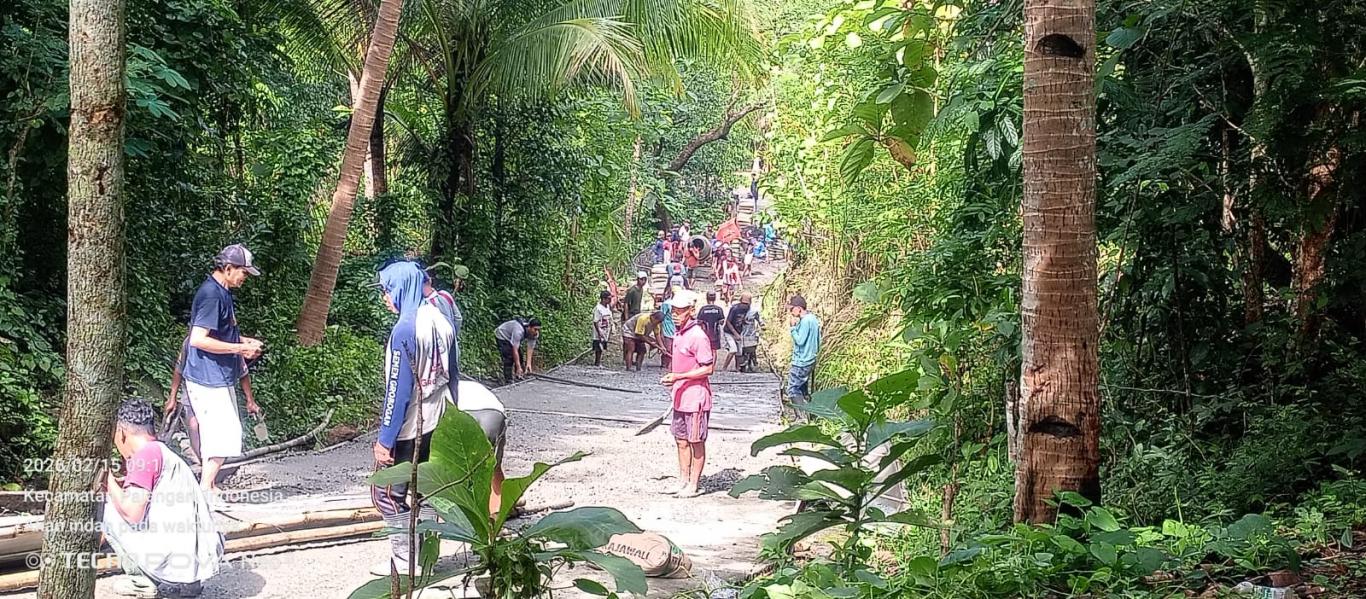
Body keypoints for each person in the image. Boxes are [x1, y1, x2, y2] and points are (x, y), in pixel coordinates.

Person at [370, 261, 453, 576]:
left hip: (409, 424)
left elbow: (398, 390)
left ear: (401, 288)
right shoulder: (440, 319)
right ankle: (427, 558)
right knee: (426, 490)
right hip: (437, 416)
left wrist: (385, 440)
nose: (385, 297)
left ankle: (405, 563)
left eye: (387, 290)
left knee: (386, 493)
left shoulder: (405, 329)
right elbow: (453, 373)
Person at [103, 398, 223, 598]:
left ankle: (142, 580)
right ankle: (189, 583)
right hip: (199, 560)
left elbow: (132, 514)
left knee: (107, 505)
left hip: (170, 561)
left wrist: (106, 478)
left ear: (121, 432)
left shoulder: (144, 455)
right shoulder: (165, 454)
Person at [181, 244, 263, 496]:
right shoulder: (212, 295)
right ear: (228, 268)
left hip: (217, 376)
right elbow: (197, 339)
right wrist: (239, 349)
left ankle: (209, 485)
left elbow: (219, 333)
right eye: (243, 272)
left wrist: (244, 341)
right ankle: (206, 487)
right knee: (225, 432)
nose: (245, 277)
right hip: (207, 377)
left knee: (221, 433)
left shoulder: (222, 292)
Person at [661, 289, 713, 498]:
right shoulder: (679, 333)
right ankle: (683, 480)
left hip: (695, 398)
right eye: (673, 310)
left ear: (691, 310)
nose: (675, 314)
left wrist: (679, 377)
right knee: (681, 440)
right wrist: (675, 379)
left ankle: (693, 484)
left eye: (680, 311)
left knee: (696, 441)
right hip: (680, 397)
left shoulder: (698, 336)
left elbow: (708, 368)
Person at [453, 380, 507, 515]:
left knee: (461, 467)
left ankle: (469, 514)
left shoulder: (433, 391)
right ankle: (500, 509)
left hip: (465, 413)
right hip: (495, 413)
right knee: (492, 465)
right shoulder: (465, 384)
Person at [787, 295, 822, 411]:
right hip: (810, 359)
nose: (791, 312)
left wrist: (792, 328)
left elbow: (800, 340)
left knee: (792, 389)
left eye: (792, 309)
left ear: (798, 308)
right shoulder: (813, 319)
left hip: (801, 361)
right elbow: (819, 340)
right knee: (803, 389)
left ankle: (801, 415)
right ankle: (808, 412)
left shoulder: (805, 321)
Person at [494, 317, 541, 383]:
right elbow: (515, 350)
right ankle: (508, 379)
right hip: (502, 334)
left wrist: (528, 364)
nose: (536, 332)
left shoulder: (535, 334)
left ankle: (519, 375)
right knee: (509, 357)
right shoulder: (518, 331)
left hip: (512, 337)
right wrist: (518, 367)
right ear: (529, 327)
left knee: (520, 358)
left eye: (538, 330)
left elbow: (530, 348)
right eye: (535, 329)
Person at [722, 292, 750, 372]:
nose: (745, 305)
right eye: (743, 303)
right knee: (733, 349)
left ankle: (737, 368)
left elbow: (742, 318)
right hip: (729, 332)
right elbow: (728, 322)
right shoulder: (735, 308)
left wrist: (745, 322)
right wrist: (735, 333)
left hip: (739, 331)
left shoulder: (747, 309)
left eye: (746, 304)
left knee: (739, 352)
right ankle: (724, 368)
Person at [740, 296, 764, 372]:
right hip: (742, 335)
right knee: (743, 352)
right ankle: (743, 366)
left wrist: (762, 325)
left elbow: (760, 321)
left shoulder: (754, 312)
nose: (745, 305)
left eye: (746, 303)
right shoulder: (737, 311)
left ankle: (752, 365)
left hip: (751, 335)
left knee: (752, 351)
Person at [592, 291, 614, 367]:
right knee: (598, 346)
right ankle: (597, 363)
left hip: (605, 329)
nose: (610, 300)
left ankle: (598, 362)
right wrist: (599, 332)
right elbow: (595, 321)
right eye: (608, 299)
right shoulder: (598, 309)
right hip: (599, 329)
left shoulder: (607, 307)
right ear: (603, 299)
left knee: (602, 345)